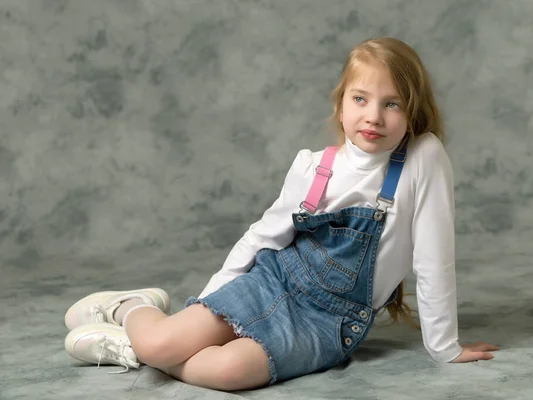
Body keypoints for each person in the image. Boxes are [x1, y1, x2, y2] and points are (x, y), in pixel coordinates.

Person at [63, 37, 499, 391]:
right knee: (163, 343)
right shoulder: (314, 167)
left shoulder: (423, 159)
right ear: (341, 104)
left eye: (392, 103)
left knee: (226, 374)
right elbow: (263, 237)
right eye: (361, 98)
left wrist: (444, 346)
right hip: (273, 280)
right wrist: (211, 300)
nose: (373, 116)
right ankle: (132, 309)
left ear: (413, 110)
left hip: (326, 321)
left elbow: (433, 259)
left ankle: (132, 348)